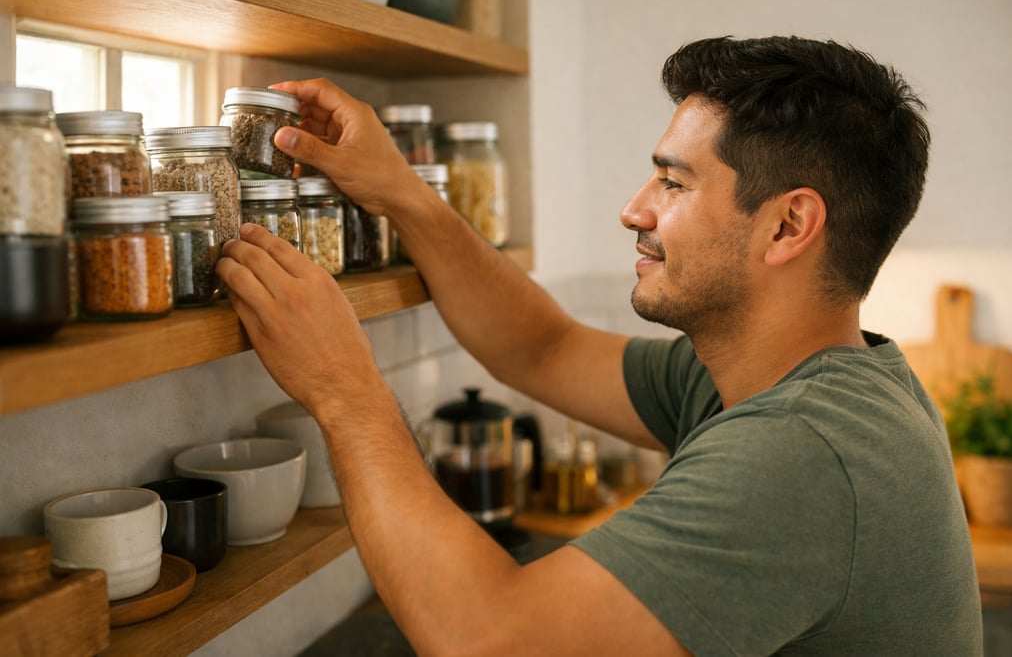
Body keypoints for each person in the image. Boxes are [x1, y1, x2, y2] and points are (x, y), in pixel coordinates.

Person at [217, 36, 983, 656]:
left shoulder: (805, 448)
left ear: (788, 225)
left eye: (673, 184)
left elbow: (488, 639)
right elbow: (544, 348)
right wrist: (404, 193)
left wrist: (345, 391)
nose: (632, 210)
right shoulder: (797, 375)